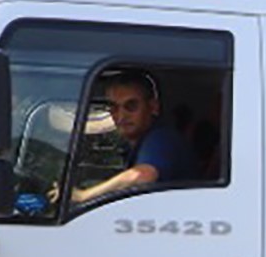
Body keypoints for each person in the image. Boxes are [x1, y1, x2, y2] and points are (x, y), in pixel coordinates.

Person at [70, 67, 198, 208]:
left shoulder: (161, 138)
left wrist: (84, 196)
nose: (121, 116)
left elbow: (142, 176)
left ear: (153, 107)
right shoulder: (137, 142)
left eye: (131, 106)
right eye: (113, 107)